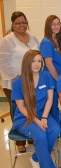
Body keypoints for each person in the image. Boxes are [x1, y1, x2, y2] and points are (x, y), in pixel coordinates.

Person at [11, 50, 61, 168]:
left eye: (39, 61)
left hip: (43, 114)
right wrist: (36, 120)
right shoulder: (18, 82)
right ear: (27, 62)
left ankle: (36, 159)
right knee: (40, 134)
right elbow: (21, 107)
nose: (37, 64)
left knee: (55, 129)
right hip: (25, 118)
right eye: (33, 61)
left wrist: (44, 117)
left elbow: (50, 99)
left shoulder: (46, 76)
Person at [0, 11, 39, 152]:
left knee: (31, 108)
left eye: (24, 22)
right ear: (13, 24)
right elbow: (2, 62)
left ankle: (30, 136)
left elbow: (38, 57)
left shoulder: (33, 38)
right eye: (18, 23)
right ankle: (20, 141)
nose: (21, 25)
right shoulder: (7, 40)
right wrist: (17, 79)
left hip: (32, 82)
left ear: (27, 23)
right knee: (17, 110)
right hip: (13, 82)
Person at [40, 15, 61, 123]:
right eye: (53, 24)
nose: (56, 26)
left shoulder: (59, 41)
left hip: (60, 77)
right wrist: (59, 80)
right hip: (52, 78)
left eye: (58, 23)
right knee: (53, 105)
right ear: (48, 26)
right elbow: (49, 64)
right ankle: (56, 132)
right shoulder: (46, 42)